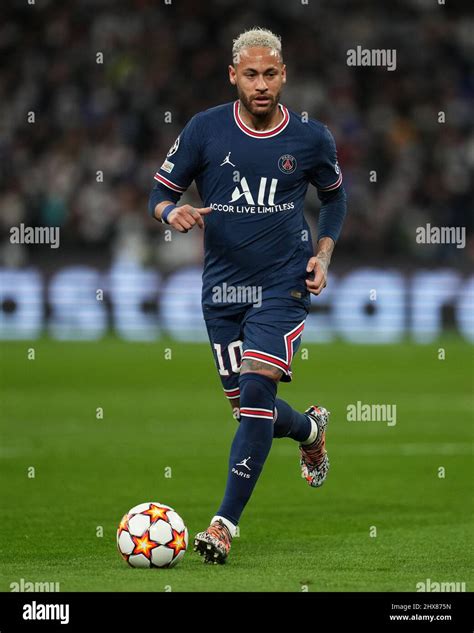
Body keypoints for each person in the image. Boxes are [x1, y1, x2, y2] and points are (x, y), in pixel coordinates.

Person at [148, 27, 347, 564]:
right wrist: (173, 212)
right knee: (249, 411)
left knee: (257, 393)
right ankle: (308, 428)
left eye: (271, 74)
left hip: (283, 285)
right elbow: (159, 193)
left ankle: (222, 526)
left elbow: (334, 200)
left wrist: (323, 255)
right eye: (251, 74)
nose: (262, 84)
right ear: (233, 76)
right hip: (222, 291)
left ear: (284, 76)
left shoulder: (311, 138)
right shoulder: (204, 130)